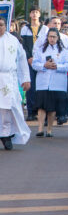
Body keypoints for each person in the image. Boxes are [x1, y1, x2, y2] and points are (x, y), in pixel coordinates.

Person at [32, 28, 68, 137]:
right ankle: (40, 129)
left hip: (57, 83)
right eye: (50, 36)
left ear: (58, 38)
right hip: (43, 82)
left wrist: (57, 66)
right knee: (41, 106)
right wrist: (44, 66)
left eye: (54, 37)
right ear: (47, 37)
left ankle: (49, 130)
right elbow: (34, 64)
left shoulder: (63, 51)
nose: (52, 39)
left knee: (52, 108)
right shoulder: (41, 50)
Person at [0, 17, 31, 150]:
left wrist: (25, 78)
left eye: (1, 25)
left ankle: (6, 134)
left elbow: (22, 60)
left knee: (7, 108)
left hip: (8, 78)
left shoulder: (13, 41)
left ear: (5, 26)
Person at [21, 5, 47, 122]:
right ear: (30, 15)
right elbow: (23, 45)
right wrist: (29, 57)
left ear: (39, 14)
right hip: (29, 61)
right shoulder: (25, 29)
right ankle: (31, 111)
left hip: (41, 61)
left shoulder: (45, 29)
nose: (35, 14)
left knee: (41, 86)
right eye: (33, 12)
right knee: (30, 86)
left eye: (37, 12)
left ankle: (41, 110)